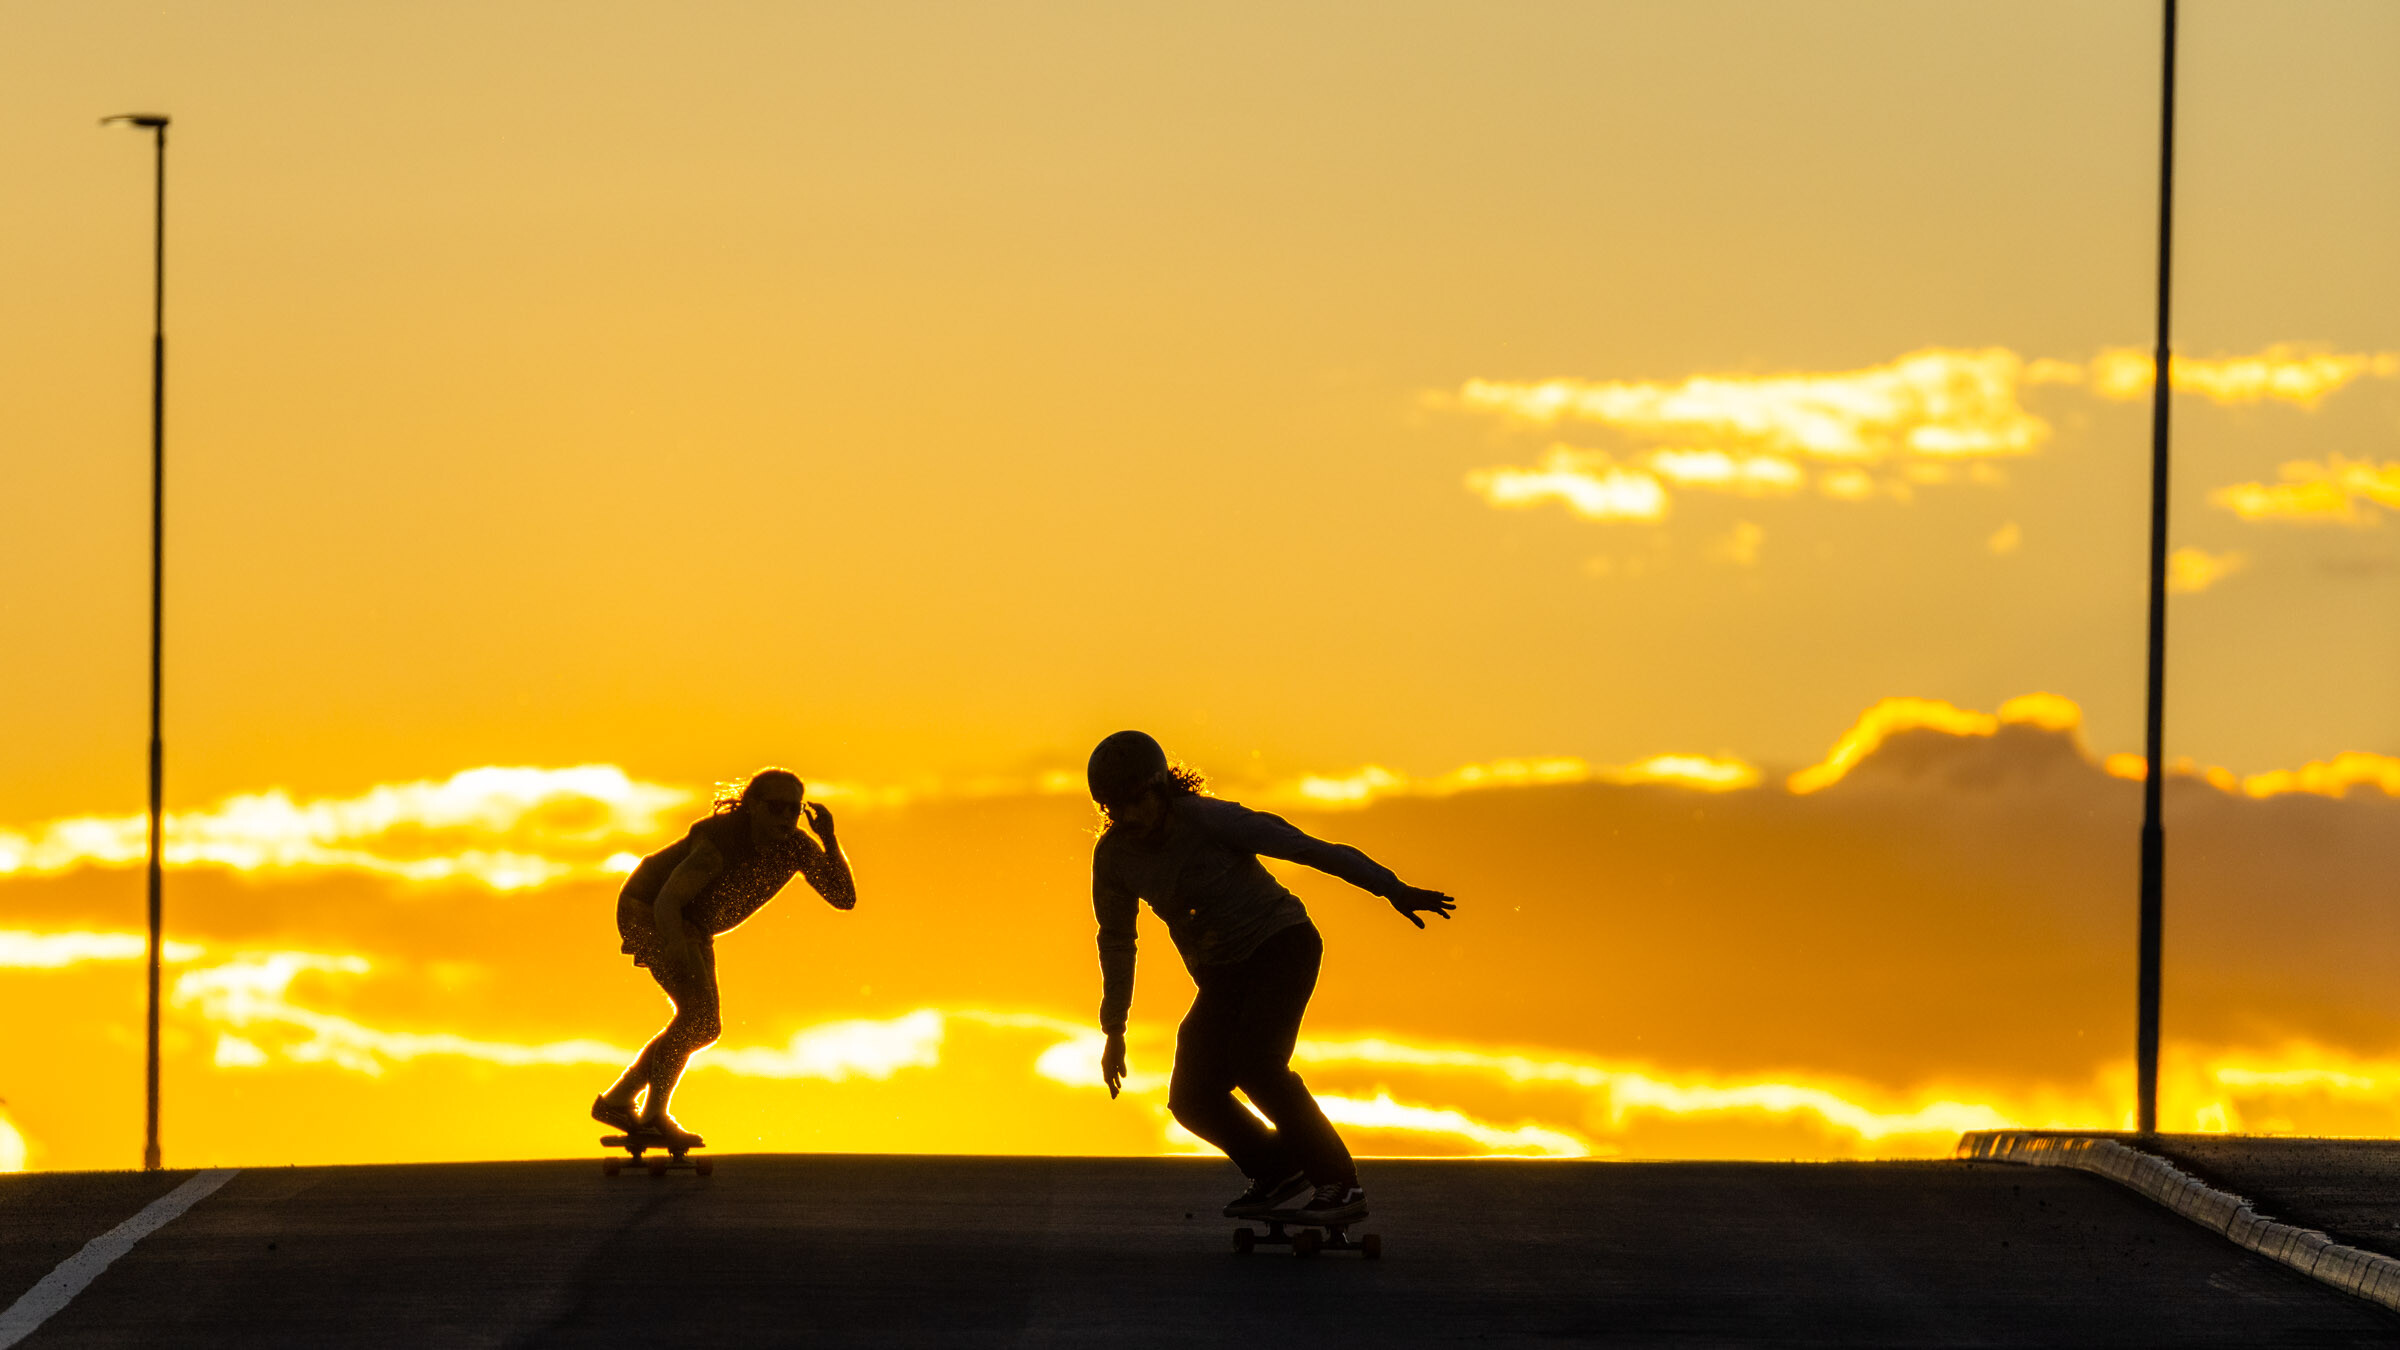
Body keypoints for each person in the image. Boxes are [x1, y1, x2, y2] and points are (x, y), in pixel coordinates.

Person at [1085, 730, 1456, 1225]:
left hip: (1281, 945)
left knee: (1257, 1065)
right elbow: (1116, 941)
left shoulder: (1209, 819)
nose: (1129, 817)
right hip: (1222, 975)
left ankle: (1341, 1185)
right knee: (1192, 1096)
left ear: (1160, 787)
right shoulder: (1114, 858)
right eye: (1115, 808)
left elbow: (1304, 848)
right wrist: (1114, 1029)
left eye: (1135, 801)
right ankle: (1278, 1171)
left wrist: (1390, 888)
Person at [593, 768, 856, 1144]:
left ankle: (620, 1101)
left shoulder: (795, 847)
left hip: (692, 924)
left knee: (703, 1024)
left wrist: (829, 840)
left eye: (793, 810)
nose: (785, 818)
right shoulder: (718, 843)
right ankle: (647, 1113)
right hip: (648, 910)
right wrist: (675, 948)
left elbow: (843, 898)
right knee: (699, 1018)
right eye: (776, 807)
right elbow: (668, 901)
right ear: (752, 806)